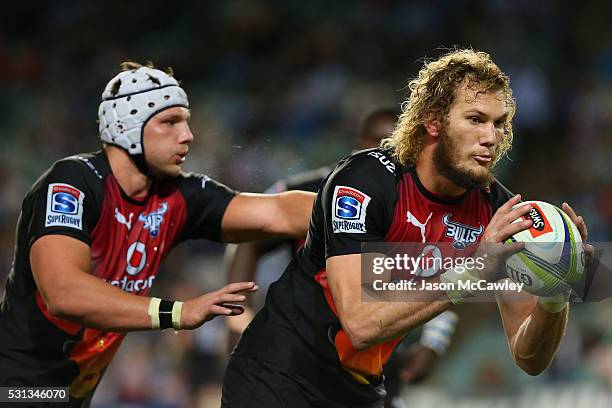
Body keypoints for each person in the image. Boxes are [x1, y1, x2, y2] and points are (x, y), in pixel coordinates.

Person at [221, 49, 591, 407]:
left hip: (360, 391)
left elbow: (529, 358)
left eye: (499, 123)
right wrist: (475, 269)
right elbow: (360, 325)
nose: (491, 137)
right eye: (475, 119)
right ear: (432, 121)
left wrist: (555, 294)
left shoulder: (498, 211)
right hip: (279, 374)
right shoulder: (366, 181)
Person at [0, 61, 315, 407]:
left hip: (68, 395)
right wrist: (178, 312)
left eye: (186, 121)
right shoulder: (72, 183)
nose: (188, 135)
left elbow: (277, 212)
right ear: (126, 126)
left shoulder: (177, 196)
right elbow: (63, 293)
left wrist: (363, 201)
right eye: (170, 122)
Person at [224, 108, 459, 408]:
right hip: (304, 348)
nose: (390, 154)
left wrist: (434, 338)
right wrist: (236, 315)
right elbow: (249, 242)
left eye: (399, 145)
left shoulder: (426, 206)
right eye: (380, 144)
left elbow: (453, 269)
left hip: (375, 359)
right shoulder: (318, 189)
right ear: (360, 145)